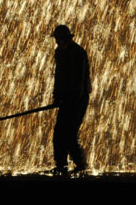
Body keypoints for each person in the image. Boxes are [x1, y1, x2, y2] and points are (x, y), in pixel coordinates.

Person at [50, 25, 91, 174]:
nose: (56, 42)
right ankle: (61, 164)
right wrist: (57, 96)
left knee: (69, 132)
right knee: (59, 132)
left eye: (58, 39)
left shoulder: (78, 53)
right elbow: (58, 77)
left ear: (65, 39)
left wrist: (74, 98)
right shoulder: (59, 53)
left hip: (78, 98)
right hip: (66, 98)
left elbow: (80, 79)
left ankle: (80, 164)